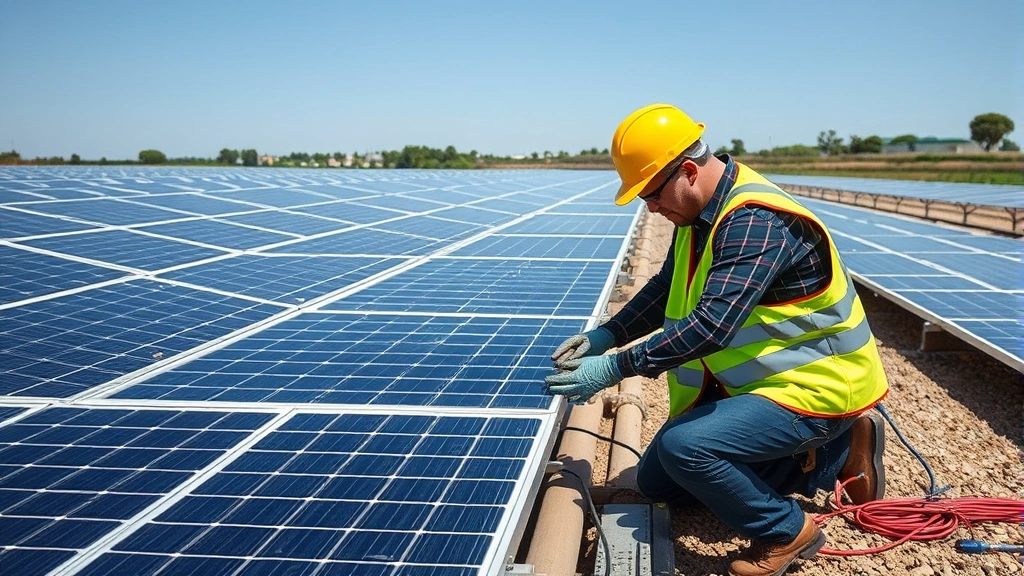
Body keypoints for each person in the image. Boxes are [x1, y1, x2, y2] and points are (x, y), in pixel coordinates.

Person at [545, 103, 889, 576]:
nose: (650, 207)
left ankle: (787, 530)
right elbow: (667, 285)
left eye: (651, 193)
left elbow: (712, 326)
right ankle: (827, 458)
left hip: (816, 387)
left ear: (687, 170)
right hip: (758, 387)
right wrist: (607, 335)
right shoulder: (699, 215)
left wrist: (615, 367)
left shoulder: (754, 221)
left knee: (688, 448)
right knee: (658, 482)